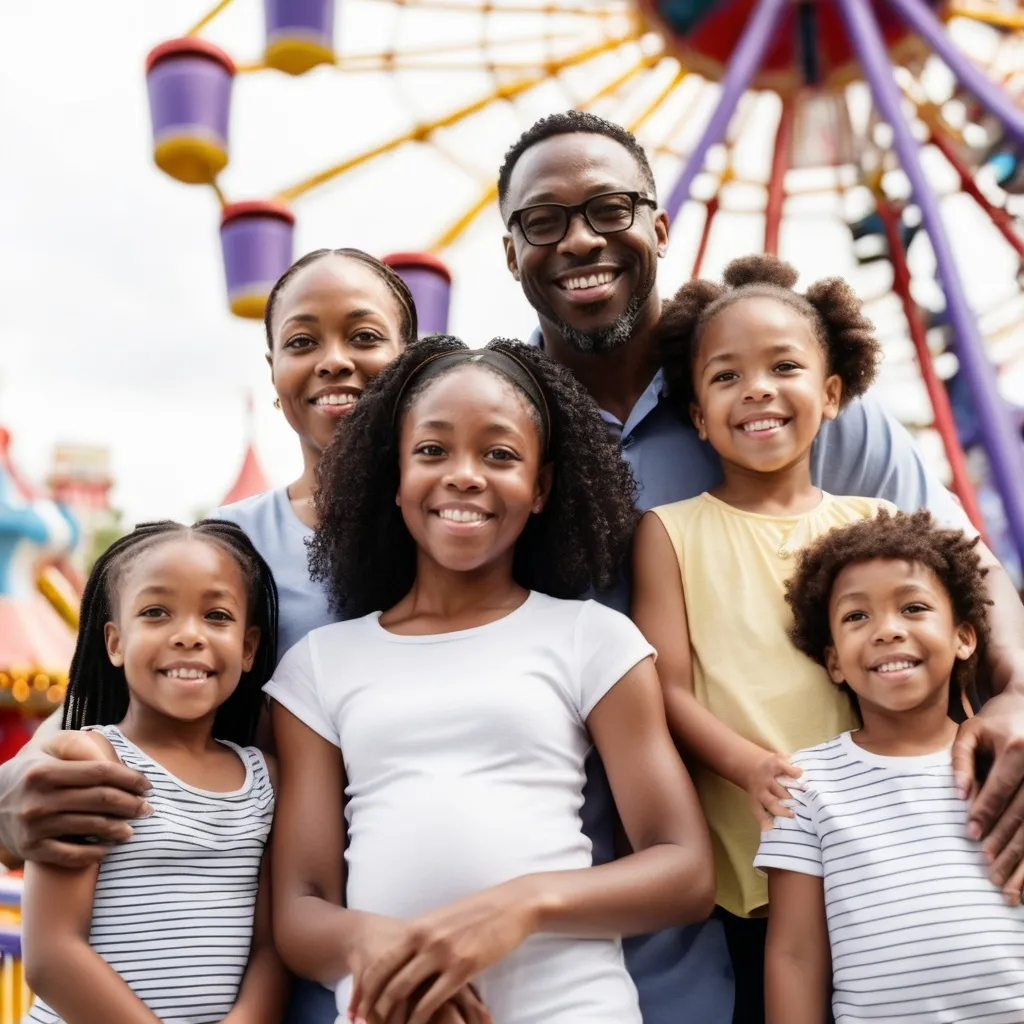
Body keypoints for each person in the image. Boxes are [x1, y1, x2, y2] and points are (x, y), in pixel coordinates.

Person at [497, 109, 1024, 1024]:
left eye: (611, 208)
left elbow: (965, 573)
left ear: (661, 226)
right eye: (544, 220)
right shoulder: (500, 428)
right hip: (602, 875)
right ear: (511, 252)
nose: (581, 237)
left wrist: (1015, 696)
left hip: (864, 850)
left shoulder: (806, 410)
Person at [0, 248, 417, 1024]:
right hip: (294, 967)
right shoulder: (228, 550)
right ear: (273, 371)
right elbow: (85, 726)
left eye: (365, 336)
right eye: (302, 342)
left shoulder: (467, 536)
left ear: (410, 357)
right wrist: (8, 793)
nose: (334, 362)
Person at [268, 336, 715, 1024]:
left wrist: (516, 907)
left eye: (500, 454)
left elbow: (684, 870)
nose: (465, 475)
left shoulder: (593, 640)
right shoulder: (319, 667)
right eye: (432, 450)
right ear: (395, 477)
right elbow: (299, 909)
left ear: (540, 488)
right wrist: (395, 960)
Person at [631, 253, 894, 1021]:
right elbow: (666, 688)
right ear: (697, 415)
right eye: (725, 377)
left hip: (871, 848)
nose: (757, 389)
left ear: (832, 392)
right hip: (748, 856)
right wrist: (749, 768)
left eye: (785, 366)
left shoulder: (873, 527)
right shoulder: (668, 534)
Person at [756, 509, 1024, 1023]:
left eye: (914, 607)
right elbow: (794, 955)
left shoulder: (1006, 762)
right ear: (833, 660)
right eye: (857, 616)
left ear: (965, 637)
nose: (887, 631)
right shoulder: (804, 785)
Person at [21, 520, 285, 1024]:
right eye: (156, 612)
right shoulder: (91, 760)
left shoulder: (265, 782)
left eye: (216, 615)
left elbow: (270, 948)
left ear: (248, 648)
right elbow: (52, 955)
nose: (189, 635)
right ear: (115, 643)